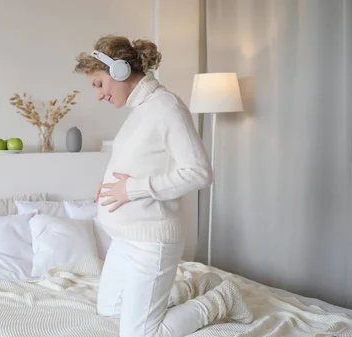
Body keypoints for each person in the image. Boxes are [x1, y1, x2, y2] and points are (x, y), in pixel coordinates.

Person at [74, 35, 254, 337]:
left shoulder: (166, 108)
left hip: (151, 242)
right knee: (109, 309)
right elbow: (141, 160)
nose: (98, 95)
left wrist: (131, 190)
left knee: (141, 334)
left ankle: (221, 299)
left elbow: (199, 173)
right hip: (125, 239)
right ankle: (185, 290)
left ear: (119, 71)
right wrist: (107, 186)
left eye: (98, 83)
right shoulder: (139, 111)